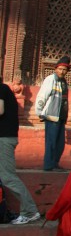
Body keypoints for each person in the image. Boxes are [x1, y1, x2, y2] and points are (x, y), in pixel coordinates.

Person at [0, 78, 41, 225]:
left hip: (4, 139)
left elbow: (0, 110)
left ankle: (30, 211)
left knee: (7, 177)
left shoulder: (2, 89)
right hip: (4, 138)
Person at [35, 55, 70, 171]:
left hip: (61, 116)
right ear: (55, 69)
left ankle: (55, 163)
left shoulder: (64, 82)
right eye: (60, 69)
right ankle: (49, 165)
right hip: (51, 115)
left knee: (60, 143)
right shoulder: (50, 79)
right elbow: (42, 95)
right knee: (51, 142)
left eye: (64, 69)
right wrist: (39, 111)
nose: (62, 71)